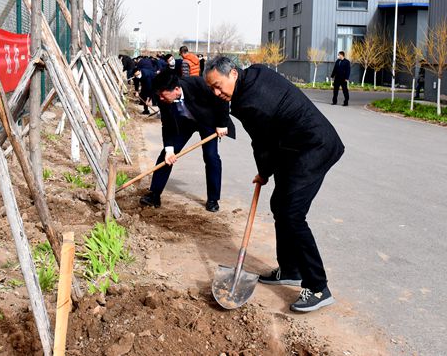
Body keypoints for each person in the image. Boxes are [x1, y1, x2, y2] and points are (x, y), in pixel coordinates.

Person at [204, 56, 345, 313]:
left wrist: (264, 172)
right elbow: (269, 136)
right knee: (279, 204)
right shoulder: (255, 73)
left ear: (233, 74)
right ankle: (290, 268)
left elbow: (262, 143)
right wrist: (266, 170)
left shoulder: (250, 103)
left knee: (292, 213)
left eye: (218, 85)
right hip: (292, 146)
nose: (216, 92)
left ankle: (317, 287)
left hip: (314, 146)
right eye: (212, 88)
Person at [140, 70, 234, 211]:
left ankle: (213, 199)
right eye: (158, 94)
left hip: (207, 122)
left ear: (176, 89)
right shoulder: (164, 100)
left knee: (211, 157)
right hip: (184, 123)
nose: (160, 98)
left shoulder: (198, 83)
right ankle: (154, 194)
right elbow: (167, 124)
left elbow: (221, 99)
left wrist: (222, 123)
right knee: (166, 155)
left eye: (163, 94)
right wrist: (169, 150)